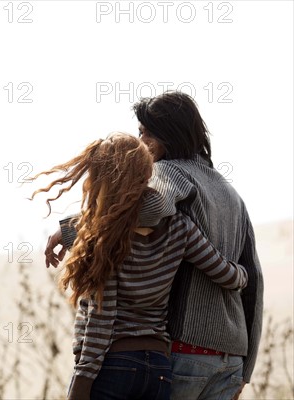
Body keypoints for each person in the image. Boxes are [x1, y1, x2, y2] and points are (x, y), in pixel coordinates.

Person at [45, 92, 263, 400]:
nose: (141, 141)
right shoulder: (232, 195)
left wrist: (70, 228)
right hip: (229, 361)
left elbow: (147, 209)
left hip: (182, 352)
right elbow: (253, 283)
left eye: (146, 132)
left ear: (168, 135)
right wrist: (246, 368)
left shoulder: (169, 172)